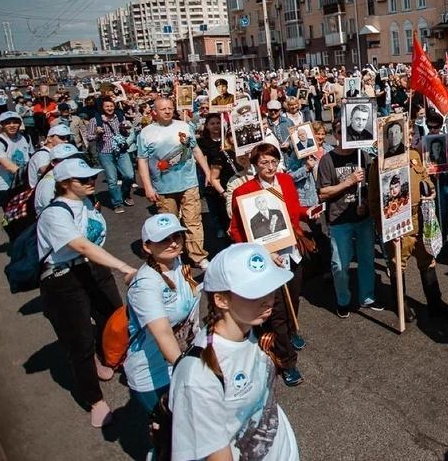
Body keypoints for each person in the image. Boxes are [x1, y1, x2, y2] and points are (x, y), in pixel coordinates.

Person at [168, 243, 300, 460]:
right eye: (254, 292)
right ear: (221, 299)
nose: (268, 299)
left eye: (270, 288)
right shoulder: (198, 377)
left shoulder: (250, 329)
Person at [36, 158, 137, 427]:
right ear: (66, 184)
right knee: (79, 340)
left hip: (91, 269)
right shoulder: (54, 213)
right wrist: (124, 266)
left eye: (93, 177)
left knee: (114, 316)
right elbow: (82, 246)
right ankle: (95, 399)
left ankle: (114, 357)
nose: (92, 182)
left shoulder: (86, 203)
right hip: (62, 279)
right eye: (84, 179)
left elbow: (94, 243)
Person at [229, 143, 309, 386]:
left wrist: (309, 212)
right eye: (264, 162)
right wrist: (261, 252)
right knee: (277, 314)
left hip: (291, 252)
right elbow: (236, 230)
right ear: (255, 165)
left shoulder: (285, 181)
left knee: (293, 299)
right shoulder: (244, 193)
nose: (270, 167)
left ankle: (293, 330)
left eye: (274, 161)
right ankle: (287, 362)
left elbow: (294, 210)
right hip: (267, 260)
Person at [368, 147, 448, 322]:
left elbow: (425, 178)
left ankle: (435, 304)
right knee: (397, 266)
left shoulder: (414, 155)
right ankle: (400, 305)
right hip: (397, 224)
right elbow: (373, 200)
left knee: (428, 262)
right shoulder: (378, 164)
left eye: (408, 133)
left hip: (421, 220)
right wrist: (383, 229)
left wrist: (430, 189)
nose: (407, 137)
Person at [123, 214, 200, 412]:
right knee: (168, 435)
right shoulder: (146, 285)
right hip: (154, 375)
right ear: (147, 247)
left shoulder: (179, 264)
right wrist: (188, 371)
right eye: (164, 239)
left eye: (177, 236)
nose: (173, 243)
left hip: (181, 360)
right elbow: (162, 332)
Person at [136, 97, 213, 268]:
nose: (167, 111)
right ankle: (174, 254)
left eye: (170, 108)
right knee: (170, 224)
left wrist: (207, 172)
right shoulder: (146, 133)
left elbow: (196, 150)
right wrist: (147, 186)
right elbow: (142, 160)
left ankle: (198, 256)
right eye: (163, 109)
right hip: (163, 187)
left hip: (189, 182)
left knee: (193, 220)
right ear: (154, 111)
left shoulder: (185, 126)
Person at [316, 126, 382, 318]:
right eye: (340, 132)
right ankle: (343, 300)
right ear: (335, 135)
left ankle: (367, 297)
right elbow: (323, 193)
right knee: (339, 265)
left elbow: (372, 186)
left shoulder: (363, 156)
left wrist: (367, 206)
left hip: (362, 218)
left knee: (367, 260)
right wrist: (348, 182)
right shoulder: (327, 160)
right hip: (339, 220)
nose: (345, 135)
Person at [0, 110, 32, 208]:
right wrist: (30, 175)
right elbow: (8, 166)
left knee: (26, 216)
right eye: (7, 123)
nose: (12, 125)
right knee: (11, 218)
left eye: (15, 122)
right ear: (1, 125)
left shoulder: (26, 138)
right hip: (5, 186)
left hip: (24, 184)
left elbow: (32, 158)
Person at [26, 123, 71, 188]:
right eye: (62, 138)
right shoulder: (42, 154)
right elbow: (44, 170)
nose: (66, 141)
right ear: (50, 139)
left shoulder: (54, 153)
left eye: (68, 138)